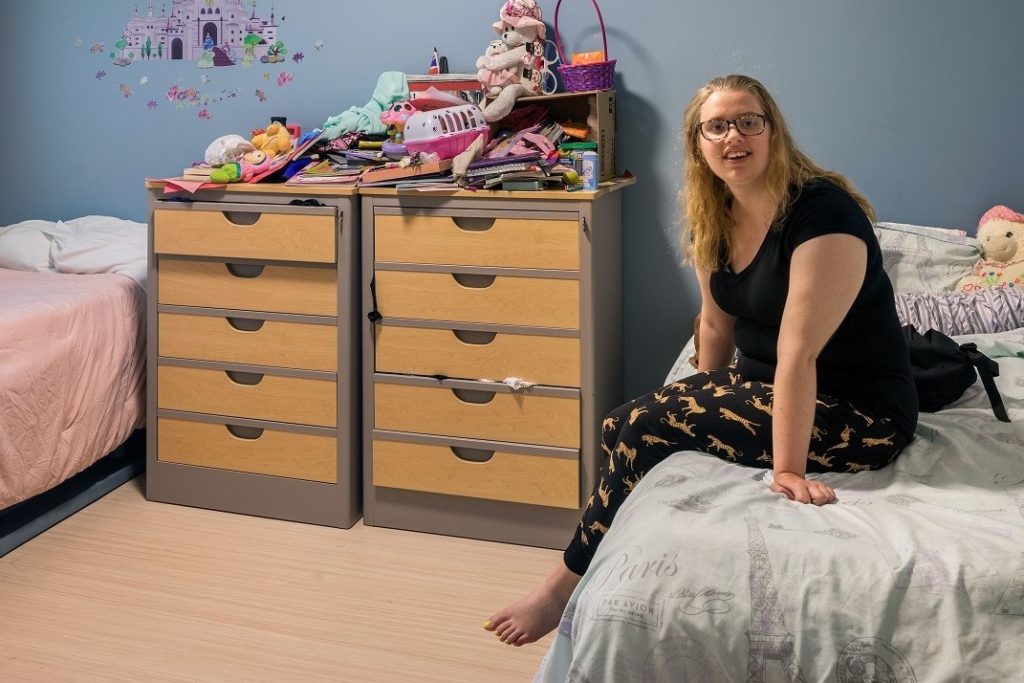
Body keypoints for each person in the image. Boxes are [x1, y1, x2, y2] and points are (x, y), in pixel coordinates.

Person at [484, 74, 918, 646]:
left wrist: (787, 469)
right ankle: (593, 563)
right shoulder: (714, 217)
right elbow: (715, 325)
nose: (733, 137)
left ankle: (560, 586)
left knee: (641, 425)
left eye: (748, 122)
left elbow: (798, 352)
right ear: (697, 144)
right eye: (715, 126)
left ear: (773, 132)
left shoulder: (823, 215)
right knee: (624, 422)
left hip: (856, 412)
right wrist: (693, 402)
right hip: (762, 386)